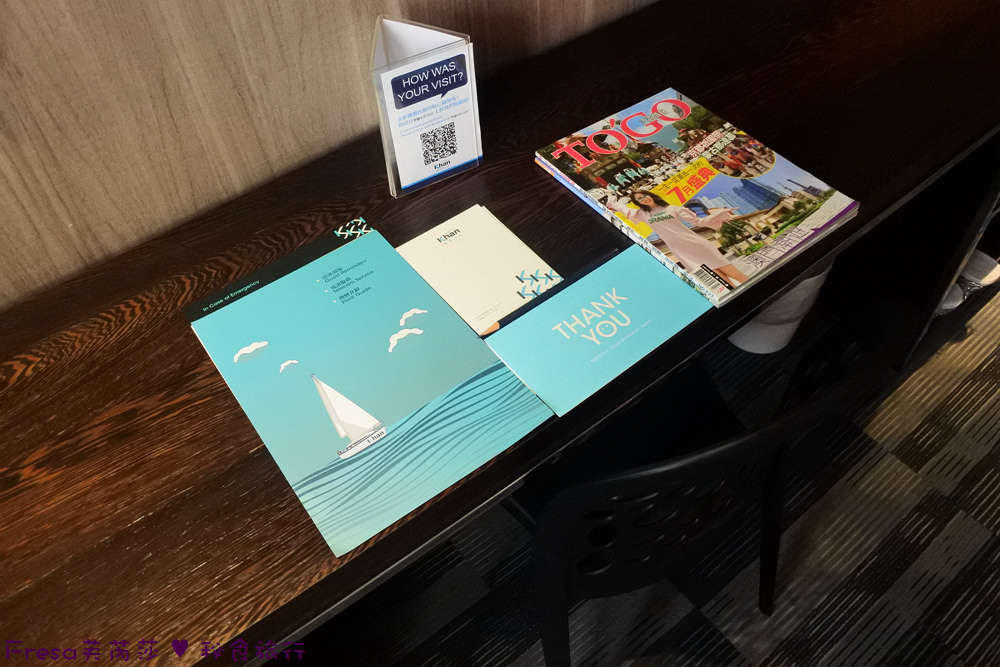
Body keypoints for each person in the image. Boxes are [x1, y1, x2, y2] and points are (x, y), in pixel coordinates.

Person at [612, 189, 750, 288]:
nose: (644, 199)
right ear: (638, 203)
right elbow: (624, 209)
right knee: (724, 283)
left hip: (697, 245)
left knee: (736, 275)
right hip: (681, 251)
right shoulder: (642, 214)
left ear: (650, 195)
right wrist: (612, 200)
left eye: (644, 195)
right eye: (640, 199)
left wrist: (719, 213)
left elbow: (699, 222)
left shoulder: (672, 209)